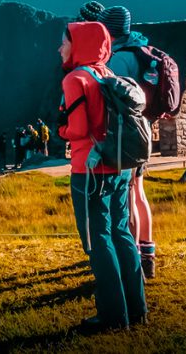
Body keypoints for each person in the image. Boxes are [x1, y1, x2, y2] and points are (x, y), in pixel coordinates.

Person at [58, 21, 147, 332]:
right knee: (122, 234)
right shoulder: (106, 74)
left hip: (89, 171)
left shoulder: (75, 79)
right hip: (118, 168)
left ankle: (112, 315)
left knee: (99, 240)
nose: (61, 48)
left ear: (79, 45)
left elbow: (79, 130)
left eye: (65, 42)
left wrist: (61, 131)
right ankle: (136, 308)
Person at [97, 5, 157, 279]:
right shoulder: (140, 48)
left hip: (128, 134)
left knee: (128, 194)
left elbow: (116, 99)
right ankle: (148, 254)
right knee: (140, 193)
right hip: (144, 131)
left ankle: (131, 258)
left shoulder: (119, 60)